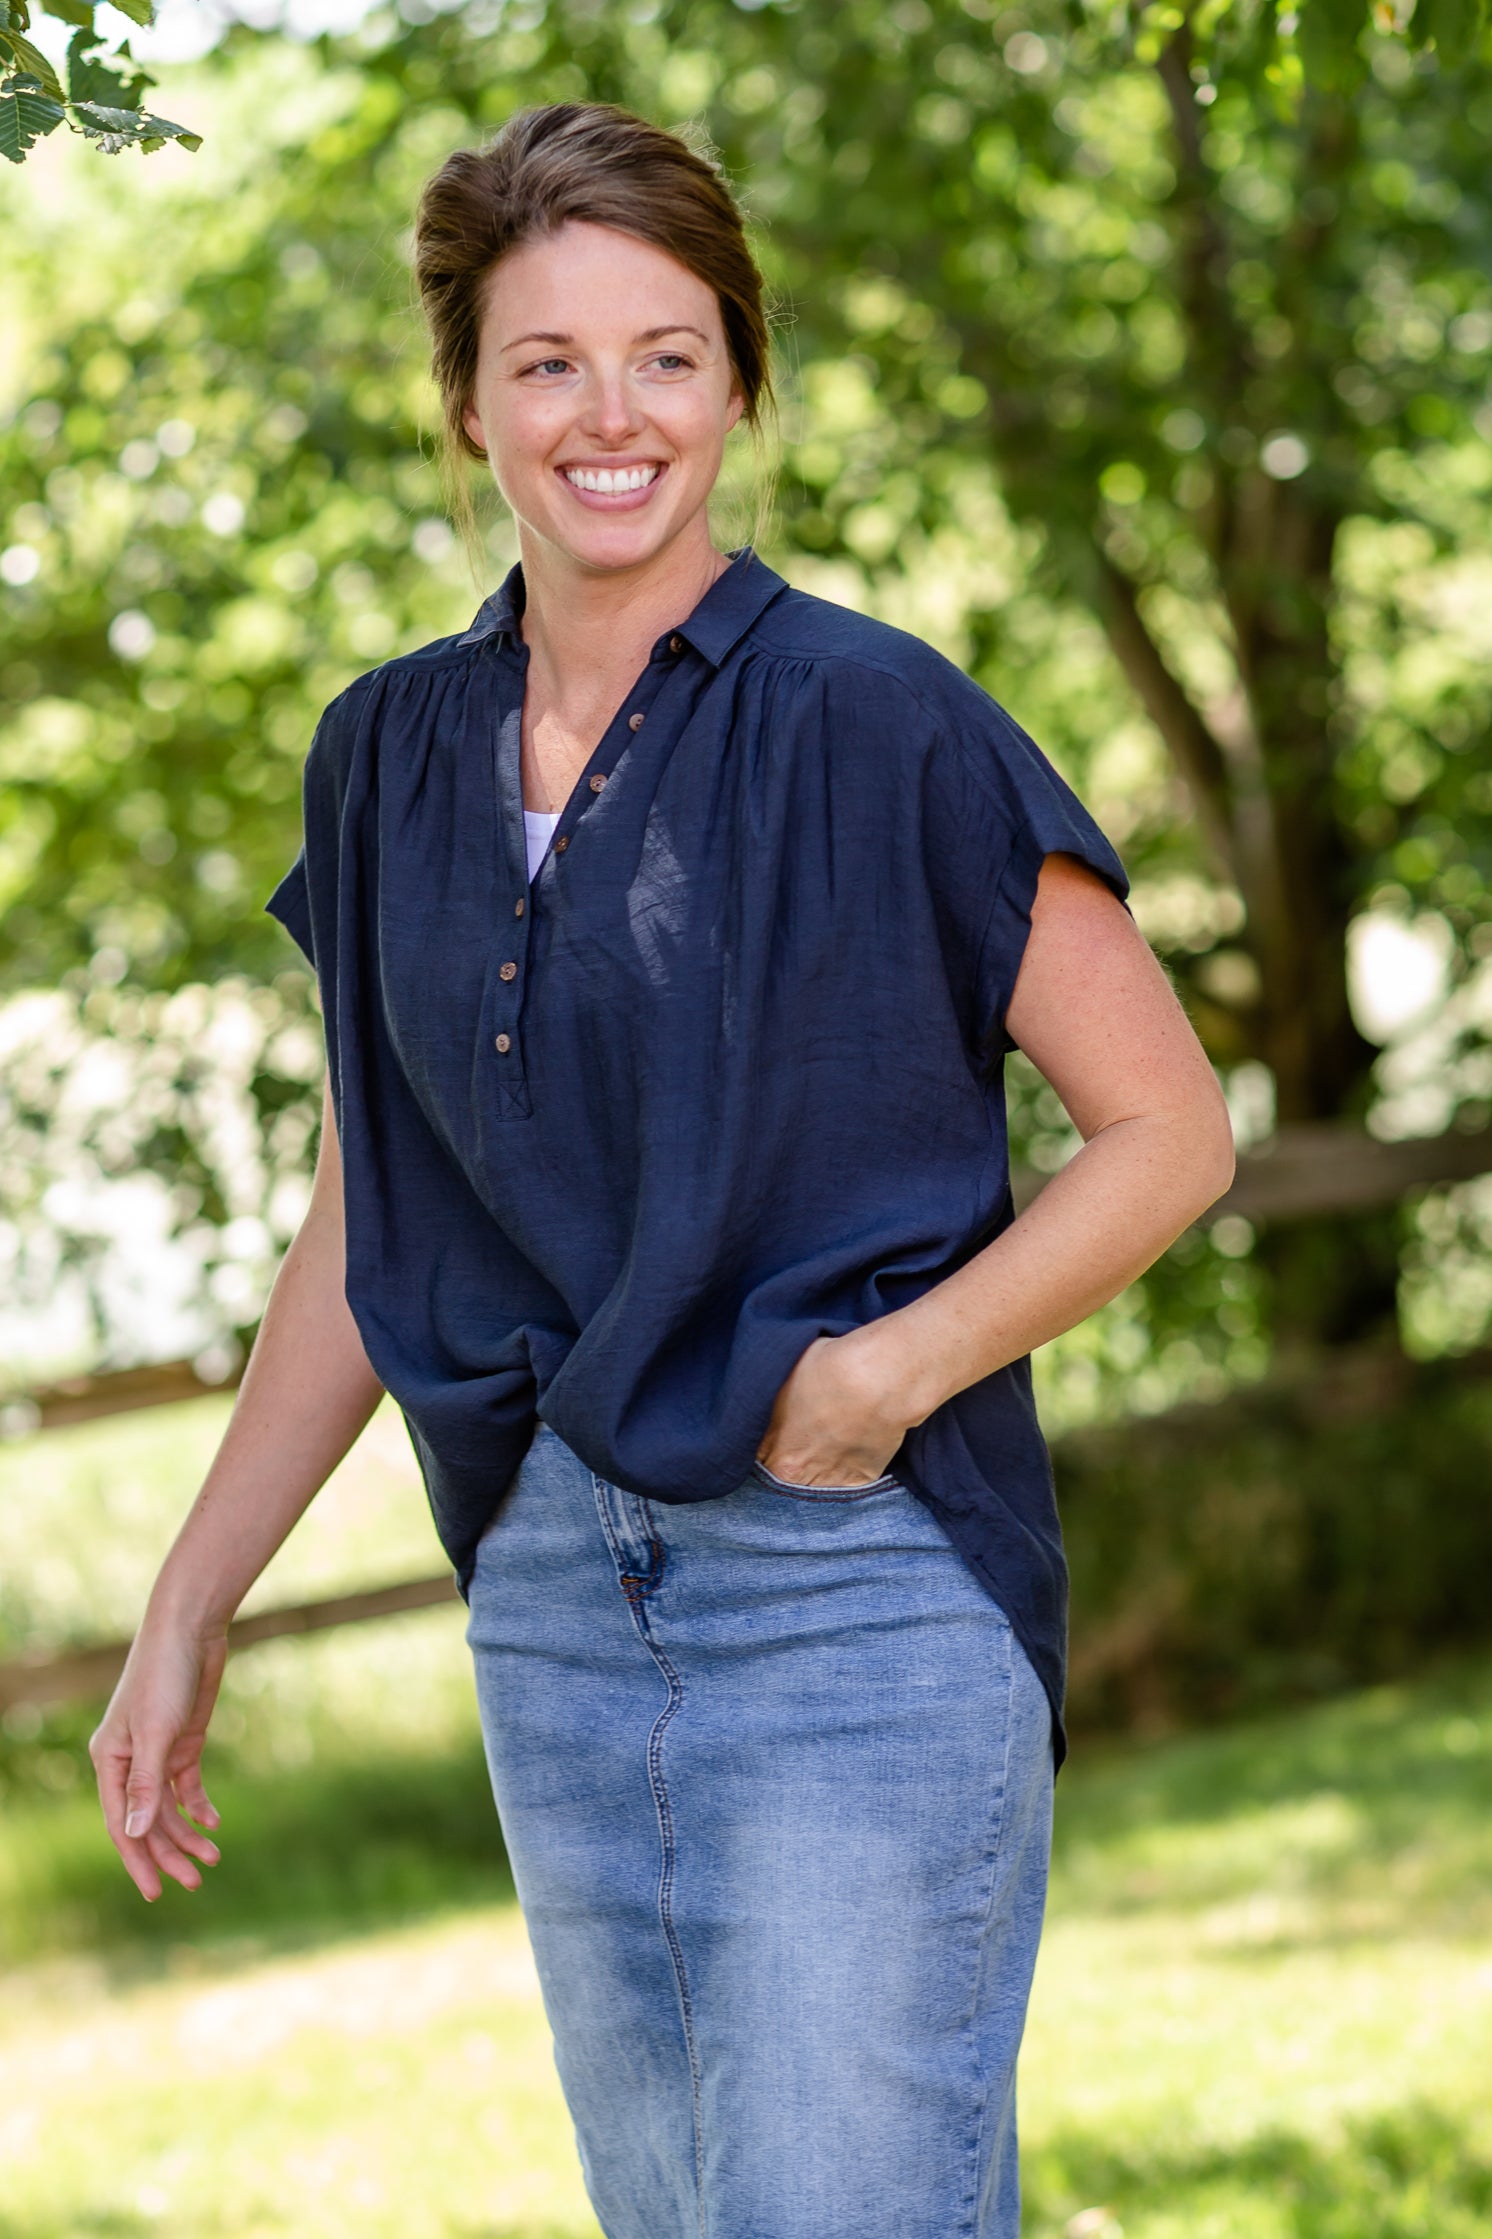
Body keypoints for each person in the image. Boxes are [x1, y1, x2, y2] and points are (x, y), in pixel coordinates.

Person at [90, 101, 1235, 2239]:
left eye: (666, 354)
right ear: (464, 403)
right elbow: (371, 1214)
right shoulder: (382, 756)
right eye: (545, 361)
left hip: (855, 1588)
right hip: (548, 1603)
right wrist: (191, 1598)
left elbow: (1167, 1129)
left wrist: (886, 1378)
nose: (608, 415)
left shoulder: (875, 721)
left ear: (736, 381)